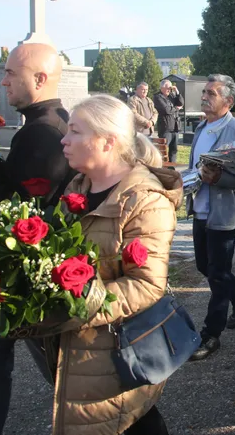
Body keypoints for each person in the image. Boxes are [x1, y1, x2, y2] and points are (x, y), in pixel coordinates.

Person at [57, 94, 181, 435]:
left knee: (127, 420)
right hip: (81, 346)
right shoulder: (79, 186)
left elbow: (146, 284)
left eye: (75, 131)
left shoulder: (144, 200)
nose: (64, 140)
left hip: (118, 348)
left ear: (107, 141)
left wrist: (76, 309)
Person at [0, 43, 75, 435]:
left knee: (54, 370)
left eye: (11, 74)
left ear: (40, 78)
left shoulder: (42, 132)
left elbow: (24, 210)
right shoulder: (50, 122)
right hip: (24, 270)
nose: (4, 81)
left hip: (20, 273)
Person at [187, 74, 235, 361]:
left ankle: (211, 333)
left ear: (228, 101)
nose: (204, 97)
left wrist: (218, 179)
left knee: (217, 274)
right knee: (206, 266)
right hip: (201, 210)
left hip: (225, 214)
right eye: (204, 92)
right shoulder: (202, 126)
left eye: (211, 93)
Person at [153, 79, 184, 162]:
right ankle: (162, 169)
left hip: (175, 127)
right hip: (165, 128)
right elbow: (166, 110)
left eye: (170, 88)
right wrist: (176, 109)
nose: (169, 90)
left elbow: (181, 103)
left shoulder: (172, 96)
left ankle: (172, 170)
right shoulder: (158, 97)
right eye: (167, 88)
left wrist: (177, 92)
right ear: (162, 88)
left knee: (173, 151)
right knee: (163, 150)